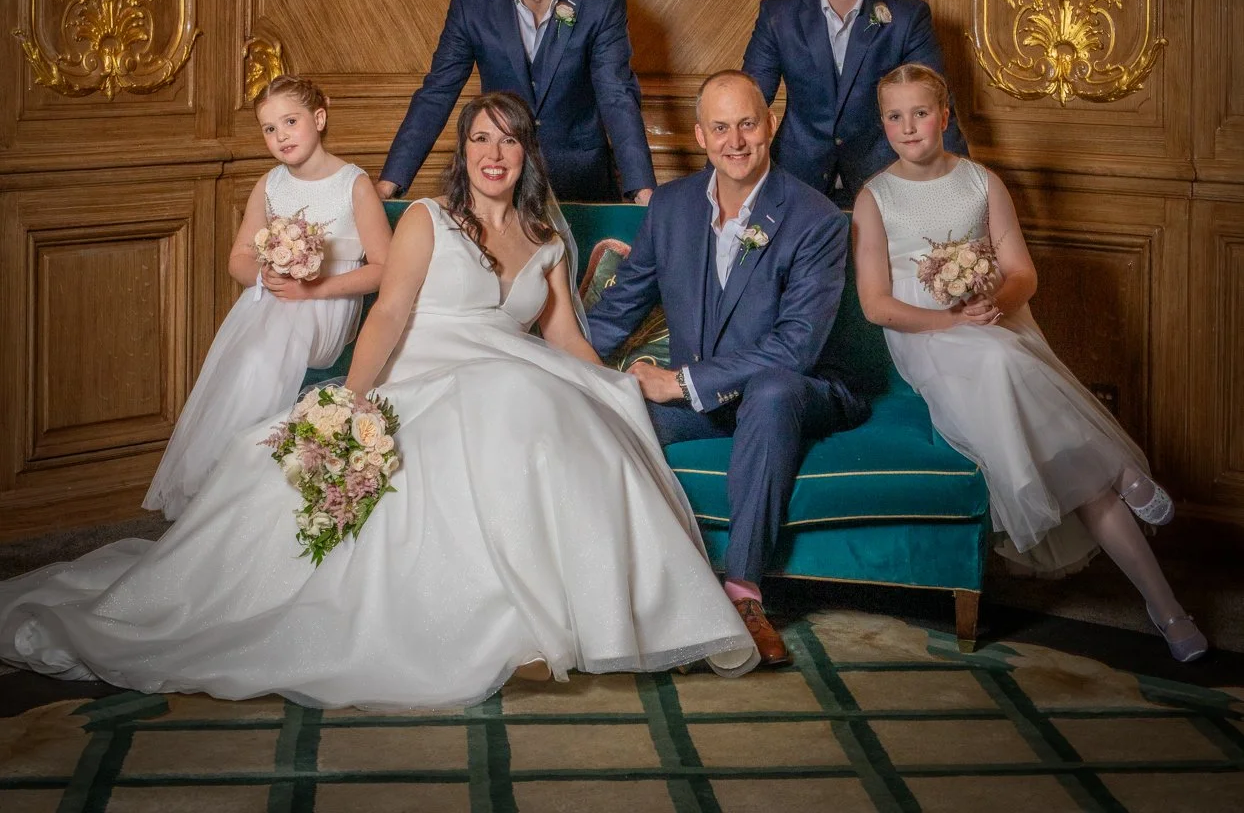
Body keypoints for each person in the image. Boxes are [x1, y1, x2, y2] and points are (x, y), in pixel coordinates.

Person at [0, 92, 756, 708]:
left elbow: (566, 342)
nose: (494, 155)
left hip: (511, 373)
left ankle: (569, 618)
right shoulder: (428, 219)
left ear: (527, 153)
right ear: (463, 153)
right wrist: (351, 406)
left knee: (564, 404)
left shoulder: (544, 238)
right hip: (425, 372)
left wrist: (619, 386)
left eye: (508, 142)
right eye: (480, 141)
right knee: (508, 401)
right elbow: (389, 315)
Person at [852, 63, 1208, 662]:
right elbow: (876, 306)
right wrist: (951, 321)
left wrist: (991, 300)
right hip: (927, 339)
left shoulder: (981, 183)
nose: (908, 127)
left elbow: (1023, 274)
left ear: (945, 116)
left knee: (1068, 449)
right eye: (894, 116)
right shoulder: (874, 198)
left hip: (998, 328)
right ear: (882, 122)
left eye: (920, 112)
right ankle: (1125, 473)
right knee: (1024, 391)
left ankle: (1168, 609)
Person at [587, 71, 868, 667]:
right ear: (699, 135)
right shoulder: (671, 205)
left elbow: (796, 348)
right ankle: (637, 595)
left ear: (769, 125)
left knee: (768, 391)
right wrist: (557, 364)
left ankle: (743, 595)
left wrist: (681, 382)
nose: (735, 140)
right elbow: (619, 311)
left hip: (802, 389)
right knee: (614, 421)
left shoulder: (815, 217)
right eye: (720, 127)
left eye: (747, 123)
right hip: (707, 401)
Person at [143, 75, 391, 519]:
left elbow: (385, 268)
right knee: (250, 351)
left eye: (290, 122)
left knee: (266, 347)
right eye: (269, 129)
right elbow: (237, 259)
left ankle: (236, 478)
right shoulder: (270, 185)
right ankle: (226, 482)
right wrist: (269, 271)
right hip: (277, 298)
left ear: (319, 117)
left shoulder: (353, 184)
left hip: (328, 308)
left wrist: (311, 287)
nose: (281, 137)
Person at [378, 0, 656, 204]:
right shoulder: (471, 1)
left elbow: (616, 94)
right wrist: (390, 182)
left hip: (582, 184)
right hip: (498, 184)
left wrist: (643, 190)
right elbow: (437, 92)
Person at [742, 0, 968, 207]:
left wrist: (960, 193)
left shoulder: (907, 17)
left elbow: (935, 104)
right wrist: (712, 182)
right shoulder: (778, 15)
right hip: (797, 182)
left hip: (883, 182)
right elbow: (746, 103)